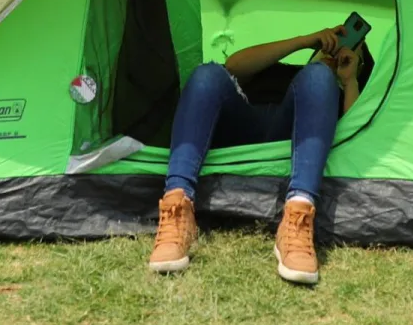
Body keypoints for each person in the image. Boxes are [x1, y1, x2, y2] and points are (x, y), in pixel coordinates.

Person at [148, 26, 363, 283]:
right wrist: (305, 41)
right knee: (207, 73)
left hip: (297, 135)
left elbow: (359, 137)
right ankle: (177, 207)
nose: (337, 50)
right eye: (334, 43)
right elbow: (233, 65)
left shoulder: (332, 90)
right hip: (243, 124)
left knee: (319, 78)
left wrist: (349, 80)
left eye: (347, 51)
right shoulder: (278, 69)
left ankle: (298, 216)